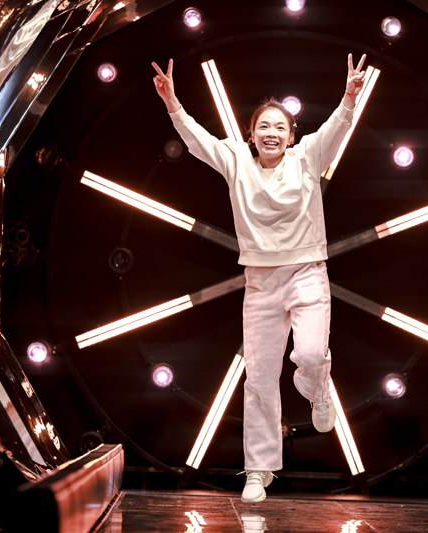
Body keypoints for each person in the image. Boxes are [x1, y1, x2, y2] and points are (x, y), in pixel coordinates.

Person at [152, 54, 366, 502]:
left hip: (307, 271)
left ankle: (317, 387)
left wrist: (348, 97)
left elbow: (335, 130)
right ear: (252, 134)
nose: (271, 133)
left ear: (291, 136)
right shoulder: (235, 160)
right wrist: (173, 102)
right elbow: (197, 141)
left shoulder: (307, 158)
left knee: (309, 353)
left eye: (280, 128)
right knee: (260, 377)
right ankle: (257, 470)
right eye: (263, 126)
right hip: (261, 282)